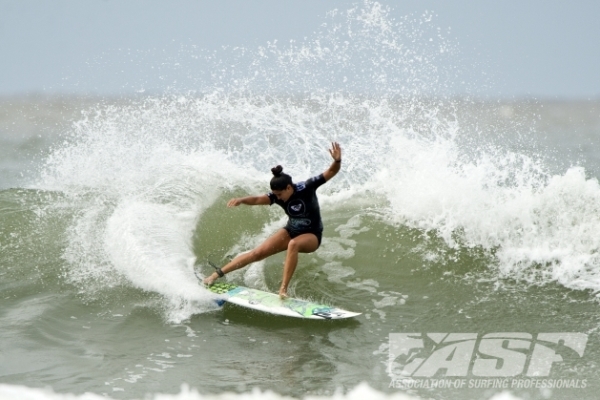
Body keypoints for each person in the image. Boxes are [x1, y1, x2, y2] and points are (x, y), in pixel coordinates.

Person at [203, 142, 342, 298]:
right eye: (274, 195)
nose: (277, 198)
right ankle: (215, 275)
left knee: (294, 244)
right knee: (257, 253)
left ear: (289, 188)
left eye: (279, 194)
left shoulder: (307, 187)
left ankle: (283, 290)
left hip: (312, 235)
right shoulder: (277, 196)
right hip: (291, 230)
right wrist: (241, 200)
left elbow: (331, 171)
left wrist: (336, 161)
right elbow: (257, 200)